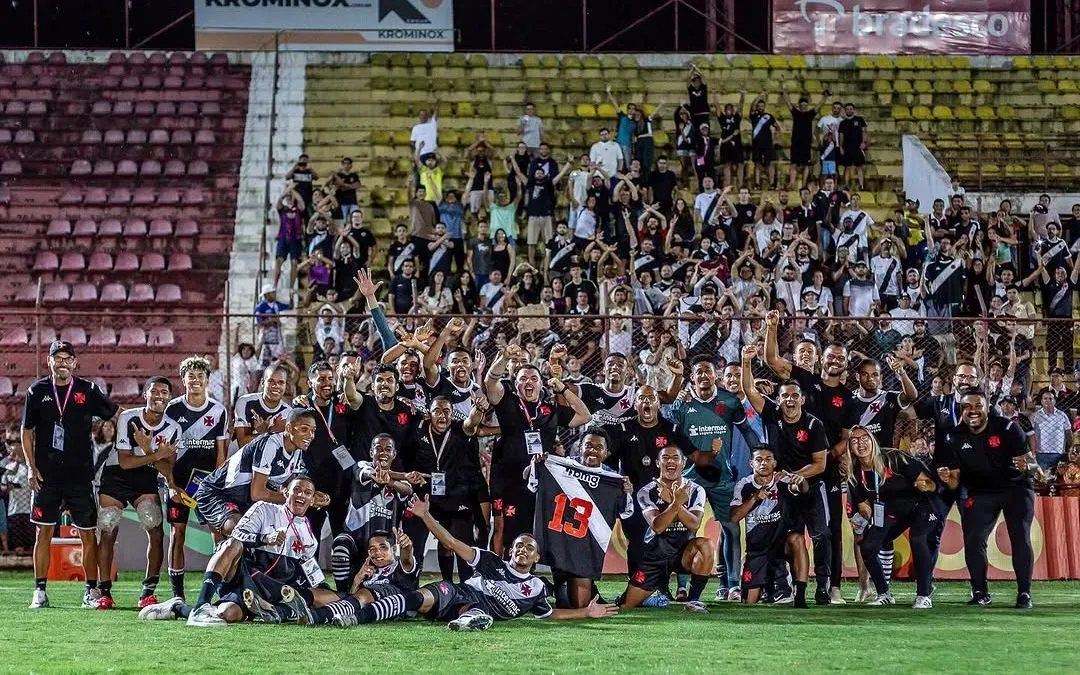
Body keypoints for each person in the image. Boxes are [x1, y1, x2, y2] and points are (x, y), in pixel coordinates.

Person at [325, 494, 619, 629]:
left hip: (474, 607)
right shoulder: (490, 561)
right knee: (418, 595)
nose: (522, 550)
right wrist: (426, 515)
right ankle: (354, 618)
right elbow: (452, 543)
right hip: (458, 594)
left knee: (477, 610)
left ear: (537, 557)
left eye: (529, 548)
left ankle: (471, 619)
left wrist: (584, 614)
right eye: (518, 546)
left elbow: (549, 615)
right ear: (509, 551)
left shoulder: (537, 589)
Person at [138, 474, 322, 627]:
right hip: (241, 574)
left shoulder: (310, 538)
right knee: (232, 543)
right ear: (285, 491)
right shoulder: (265, 509)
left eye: (307, 492)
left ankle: (177, 608)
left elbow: (311, 574)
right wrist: (264, 539)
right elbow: (238, 533)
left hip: (265, 588)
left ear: (313, 500)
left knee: (228, 614)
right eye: (296, 489)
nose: (301, 495)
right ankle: (202, 604)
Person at [23, 340, 119, 609]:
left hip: (80, 477)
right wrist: (31, 467)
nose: (63, 362)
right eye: (58, 358)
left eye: (68, 358)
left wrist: (144, 429)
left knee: (88, 535)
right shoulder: (36, 391)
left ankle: (90, 591)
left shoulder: (88, 390)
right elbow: (26, 431)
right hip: (46, 477)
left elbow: (116, 413)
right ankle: (39, 592)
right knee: (43, 533)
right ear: (49, 362)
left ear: (75, 363)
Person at [763, 312, 851, 602]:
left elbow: (845, 438)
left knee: (829, 532)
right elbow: (772, 359)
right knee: (791, 532)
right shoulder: (802, 380)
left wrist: (828, 456)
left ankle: (830, 585)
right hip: (793, 476)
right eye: (830, 357)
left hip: (825, 473)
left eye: (840, 358)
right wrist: (772, 327)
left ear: (845, 363)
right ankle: (786, 585)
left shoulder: (847, 397)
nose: (834, 362)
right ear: (820, 360)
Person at [741, 345, 833, 605]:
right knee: (781, 537)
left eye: (794, 396)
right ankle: (780, 587)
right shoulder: (771, 413)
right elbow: (749, 390)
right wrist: (746, 361)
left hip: (811, 487)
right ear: (778, 400)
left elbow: (820, 464)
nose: (790, 400)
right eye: (785, 397)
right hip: (781, 489)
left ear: (802, 399)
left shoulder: (814, 425)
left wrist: (794, 476)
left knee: (821, 535)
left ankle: (823, 586)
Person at [480, 347, 592, 554]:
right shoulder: (506, 401)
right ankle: (496, 574)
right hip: (508, 479)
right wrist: (504, 357)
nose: (528, 382)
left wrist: (562, 389)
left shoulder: (551, 410)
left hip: (539, 481)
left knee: (530, 528)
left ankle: (525, 575)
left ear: (541, 384)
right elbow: (490, 381)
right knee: (504, 530)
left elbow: (585, 416)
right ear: (515, 383)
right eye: (523, 379)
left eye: (533, 378)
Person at [669, 354, 760, 602]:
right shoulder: (682, 405)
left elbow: (747, 431)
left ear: (715, 375)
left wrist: (759, 455)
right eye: (699, 371)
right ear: (693, 376)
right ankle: (682, 585)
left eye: (708, 371)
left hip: (722, 477)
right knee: (686, 530)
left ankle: (732, 585)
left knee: (731, 528)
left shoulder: (729, 401)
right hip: (691, 477)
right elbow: (670, 436)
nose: (704, 376)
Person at [938, 389, 1037, 609]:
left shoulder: (1008, 428)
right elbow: (955, 482)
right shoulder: (953, 437)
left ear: (987, 407)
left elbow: (1031, 465)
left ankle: (1024, 593)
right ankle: (980, 592)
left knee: (1019, 535)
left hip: (1016, 487)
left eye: (977, 406)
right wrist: (946, 478)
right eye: (967, 407)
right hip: (981, 491)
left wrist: (1029, 467)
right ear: (960, 410)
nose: (972, 411)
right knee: (973, 539)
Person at [96, 376, 181, 610]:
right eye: (154, 392)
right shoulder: (128, 417)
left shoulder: (173, 428)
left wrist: (147, 449)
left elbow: (167, 469)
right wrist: (155, 453)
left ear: (169, 398)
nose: (159, 396)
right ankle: (104, 592)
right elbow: (124, 462)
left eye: (164, 392)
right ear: (145, 395)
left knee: (155, 530)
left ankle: (148, 592)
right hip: (116, 474)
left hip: (145, 476)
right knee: (107, 529)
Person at [526, 429, 633, 608]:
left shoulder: (613, 479)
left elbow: (626, 513)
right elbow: (532, 485)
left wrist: (627, 493)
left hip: (586, 546)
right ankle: (554, 587)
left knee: (579, 606)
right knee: (564, 602)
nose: (593, 450)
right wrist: (537, 465)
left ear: (606, 453)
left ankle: (555, 588)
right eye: (588, 445)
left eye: (599, 447)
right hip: (559, 540)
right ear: (579, 448)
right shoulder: (560, 466)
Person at [846, 426, 940, 609]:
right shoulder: (855, 474)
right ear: (850, 447)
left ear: (872, 440)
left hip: (921, 506)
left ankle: (924, 594)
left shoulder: (895, 457)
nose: (861, 443)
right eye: (855, 440)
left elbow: (930, 484)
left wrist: (924, 485)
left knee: (918, 538)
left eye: (864, 438)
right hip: (890, 512)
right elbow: (864, 507)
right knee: (867, 546)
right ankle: (884, 593)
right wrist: (862, 523)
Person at [161, 356, 231, 601]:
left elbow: (222, 454)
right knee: (177, 534)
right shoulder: (172, 409)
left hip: (208, 487)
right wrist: (170, 484)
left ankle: (219, 591)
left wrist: (220, 486)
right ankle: (177, 594)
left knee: (218, 535)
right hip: (179, 484)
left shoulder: (218, 410)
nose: (196, 380)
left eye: (200, 376)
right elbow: (165, 451)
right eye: (191, 376)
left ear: (207, 380)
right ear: (183, 380)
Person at [193, 408, 321, 537]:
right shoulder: (270, 444)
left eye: (313, 431)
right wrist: (298, 498)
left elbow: (288, 488)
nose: (311, 435)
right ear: (288, 428)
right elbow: (258, 493)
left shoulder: (298, 451)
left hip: (243, 499)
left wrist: (311, 495)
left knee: (245, 542)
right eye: (304, 429)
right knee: (241, 533)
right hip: (218, 493)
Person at [620, 445, 713, 612]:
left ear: (683, 463)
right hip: (655, 555)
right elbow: (658, 527)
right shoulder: (646, 492)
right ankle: (654, 593)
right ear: (657, 463)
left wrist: (673, 502)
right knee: (627, 605)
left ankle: (693, 600)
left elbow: (694, 524)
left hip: (683, 553)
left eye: (676, 458)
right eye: (665, 458)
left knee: (706, 546)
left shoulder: (697, 490)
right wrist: (676, 503)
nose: (671, 461)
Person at [330, 435, 415, 593]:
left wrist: (390, 480)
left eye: (388, 449)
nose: (383, 452)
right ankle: (342, 594)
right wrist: (398, 475)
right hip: (356, 540)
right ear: (371, 452)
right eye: (378, 449)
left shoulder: (400, 484)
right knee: (340, 544)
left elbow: (408, 489)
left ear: (394, 454)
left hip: (382, 546)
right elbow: (369, 473)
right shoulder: (362, 466)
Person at [730, 446, 810, 608]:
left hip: (780, 546)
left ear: (774, 463)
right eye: (759, 460)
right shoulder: (744, 485)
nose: (763, 463)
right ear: (751, 464)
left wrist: (802, 482)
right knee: (749, 601)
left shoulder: (783, 480)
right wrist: (754, 498)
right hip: (757, 550)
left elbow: (800, 489)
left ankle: (800, 594)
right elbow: (734, 517)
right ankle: (769, 586)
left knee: (797, 539)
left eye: (768, 459)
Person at [233, 365, 293, 449]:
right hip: (239, 457)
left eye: (281, 382)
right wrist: (270, 431)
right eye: (271, 381)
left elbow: (285, 446)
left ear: (286, 386)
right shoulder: (245, 402)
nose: (276, 385)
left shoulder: (288, 412)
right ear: (262, 382)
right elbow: (242, 443)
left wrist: (265, 432)